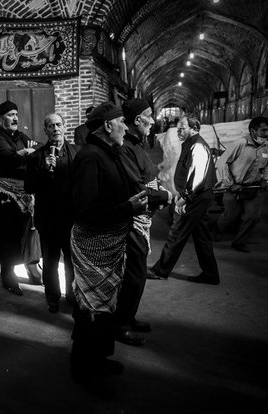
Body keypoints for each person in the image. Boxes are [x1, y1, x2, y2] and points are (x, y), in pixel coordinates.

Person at [69, 102, 147, 398]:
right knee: (91, 310)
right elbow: (85, 209)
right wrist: (128, 207)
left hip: (111, 241)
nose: (126, 128)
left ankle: (98, 359)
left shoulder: (108, 153)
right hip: (93, 245)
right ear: (107, 126)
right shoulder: (90, 157)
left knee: (104, 308)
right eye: (121, 123)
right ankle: (83, 369)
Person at [115, 99, 171, 347]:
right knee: (134, 275)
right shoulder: (125, 147)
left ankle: (129, 315)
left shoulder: (137, 144)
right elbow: (137, 187)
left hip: (142, 217)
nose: (153, 121)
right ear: (137, 120)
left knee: (137, 274)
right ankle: (121, 324)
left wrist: (158, 189)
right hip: (130, 220)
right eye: (149, 116)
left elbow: (149, 176)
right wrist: (165, 196)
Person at [148, 115, 220, 285]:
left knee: (177, 232)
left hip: (196, 197)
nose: (179, 131)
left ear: (194, 129)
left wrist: (185, 197)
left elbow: (198, 177)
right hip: (198, 196)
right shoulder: (190, 144)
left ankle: (161, 270)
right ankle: (211, 275)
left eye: (183, 127)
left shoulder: (197, 146)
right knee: (201, 236)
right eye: (178, 127)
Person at [25, 113, 78, 313]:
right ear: (45, 130)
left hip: (71, 218)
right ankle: (53, 297)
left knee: (72, 261)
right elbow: (29, 187)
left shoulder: (77, 153)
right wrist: (44, 170)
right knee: (50, 261)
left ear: (65, 127)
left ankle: (72, 295)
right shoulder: (36, 157)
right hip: (48, 219)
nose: (55, 128)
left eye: (58, 124)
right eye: (50, 126)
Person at [0, 100, 40, 296]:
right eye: (10, 114)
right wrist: (26, 152)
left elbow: (39, 146)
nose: (15, 118)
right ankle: (8, 277)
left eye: (16, 114)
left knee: (24, 233)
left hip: (23, 193)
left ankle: (30, 266)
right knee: (7, 237)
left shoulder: (19, 136)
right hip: (5, 195)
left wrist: (26, 151)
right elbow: (11, 159)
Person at [213, 116, 268, 253]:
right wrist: (231, 184)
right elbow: (222, 163)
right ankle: (216, 230)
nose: (267, 134)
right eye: (263, 130)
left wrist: (266, 180)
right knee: (230, 215)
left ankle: (239, 242)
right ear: (253, 131)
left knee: (253, 217)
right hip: (236, 188)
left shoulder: (267, 147)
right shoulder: (240, 144)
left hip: (254, 188)